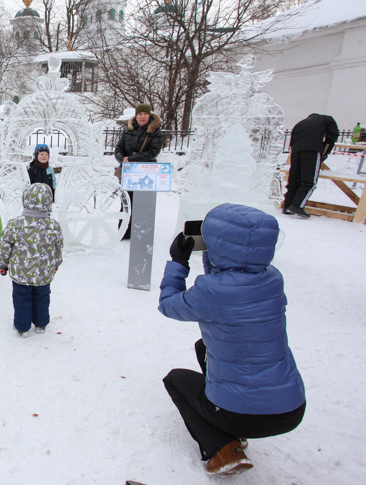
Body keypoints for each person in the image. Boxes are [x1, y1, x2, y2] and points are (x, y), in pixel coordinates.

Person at [158, 204, 306, 476]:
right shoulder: (272, 278)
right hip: (292, 409)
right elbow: (227, 281)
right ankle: (231, 420)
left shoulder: (211, 292)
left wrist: (178, 264)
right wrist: (212, 258)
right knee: (203, 347)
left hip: (241, 414)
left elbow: (168, 305)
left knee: (175, 380)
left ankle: (222, 448)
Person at [0, 183, 63, 337]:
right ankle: (40, 324)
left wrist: (2, 263)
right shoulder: (53, 225)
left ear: (25, 199)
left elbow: (5, 245)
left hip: (21, 274)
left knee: (22, 299)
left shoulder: (15, 224)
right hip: (44, 273)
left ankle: (22, 327)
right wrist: (56, 263)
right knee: (42, 298)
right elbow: (58, 246)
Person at [115, 104, 163, 239]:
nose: (142, 116)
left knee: (144, 202)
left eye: (145, 114)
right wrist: (122, 159)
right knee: (127, 201)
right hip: (129, 171)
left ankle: (142, 231)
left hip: (146, 171)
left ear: (149, 115)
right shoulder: (128, 130)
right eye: (140, 114)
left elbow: (153, 152)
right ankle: (124, 231)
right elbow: (119, 148)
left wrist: (130, 158)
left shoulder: (155, 131)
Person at [283, 114, 339, 218]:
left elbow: (292, 139)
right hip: (312, 151)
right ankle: (297, 205)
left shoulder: (301, 123)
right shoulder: (328, 120)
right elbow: (332, 137)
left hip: (296, 151)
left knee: (294, 180)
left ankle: (287, 206)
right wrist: (324, 153)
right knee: (309, 181)